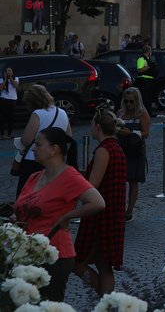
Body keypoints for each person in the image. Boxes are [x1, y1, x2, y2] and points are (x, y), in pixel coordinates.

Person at [14, 127, 105, 302]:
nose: (34, 148)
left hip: (54, 254)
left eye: (39, 144)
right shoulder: (34, 177)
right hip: (26, 253)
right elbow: (23, 207)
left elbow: (98, 202)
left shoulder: (69, 176)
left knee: (48, 304)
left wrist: (67, 216)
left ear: (54, 149)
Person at [73, 107, 127, 295]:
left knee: (76, 261)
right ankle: (107, 302)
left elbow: (92, 184)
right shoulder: (116, 148)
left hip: (100, 216)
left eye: (92, 126)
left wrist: (74, 184)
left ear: (97, 127)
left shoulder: (104, 150)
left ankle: (104, 297)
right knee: (105, 266)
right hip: (113, 212)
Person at [14, 85, 73, 196]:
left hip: (34, 160)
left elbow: (26, 140)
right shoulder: (62, 112)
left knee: (26, 194)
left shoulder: (38, 114)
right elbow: (68, 135)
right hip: (55, 160)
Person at [116, 87, 150, 221]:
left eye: (131, 102)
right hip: (122, 147)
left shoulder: (142, 114)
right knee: (120, 181)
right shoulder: (120, 113)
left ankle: (129, 210)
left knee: (133, 181)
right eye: (127, 101)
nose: (129, 104)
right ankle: (119, 208)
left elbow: (146, 133)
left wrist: (130, 133)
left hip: (135, 149)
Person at [134, 44, 157, 113]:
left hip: (150, 80)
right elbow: (139, 70)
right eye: (150, 51)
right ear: (148, 51)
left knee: (149, 98)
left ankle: (149, 112)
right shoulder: (141, 59)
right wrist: (149, 67)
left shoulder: (149, 59)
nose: (151, 52)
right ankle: (144, 112)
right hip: (144, 81)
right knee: (145, 98)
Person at [1, 66, 18, 139]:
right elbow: (1, 88)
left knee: (11, 117)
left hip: (13, 99)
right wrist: (5, 79)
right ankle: (2, 134)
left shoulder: (16, 78)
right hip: (4, 99)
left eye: (10, 71)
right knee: (3, 117)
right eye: (7, 71)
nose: (8, 72)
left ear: (12, 72)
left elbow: (15, 85)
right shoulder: (1, 79)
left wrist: (10, 78)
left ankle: (9, 134)